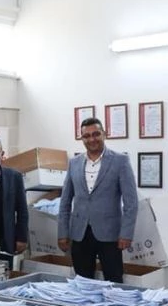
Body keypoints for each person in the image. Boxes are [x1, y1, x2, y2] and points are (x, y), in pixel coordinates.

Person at [57, 117, 138, 282]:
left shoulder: (120, 161)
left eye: (96, 134)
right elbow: (65, 201)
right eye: (86, 136)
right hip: (79, 233)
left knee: (114, 282)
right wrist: (63, 233)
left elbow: (131, 202)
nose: (92, 139)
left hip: (110, 234)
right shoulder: (74, 163)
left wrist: (126, 234)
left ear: (104, 134)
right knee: (82, 283)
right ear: (82, 138)